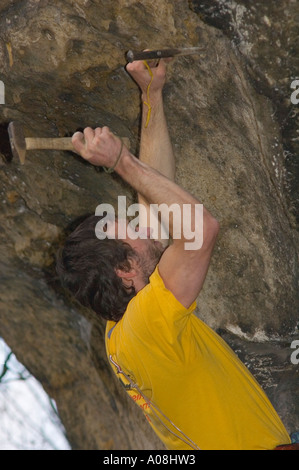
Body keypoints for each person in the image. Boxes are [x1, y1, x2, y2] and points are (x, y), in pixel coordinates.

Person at [56, 58, 293, 450]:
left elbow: (154, 194)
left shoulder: (124, 333)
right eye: (133, 231)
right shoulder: (149, 325)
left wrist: (152, 95)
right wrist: (120, 161)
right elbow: (202, 227)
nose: (142, 223)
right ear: (126, 270)